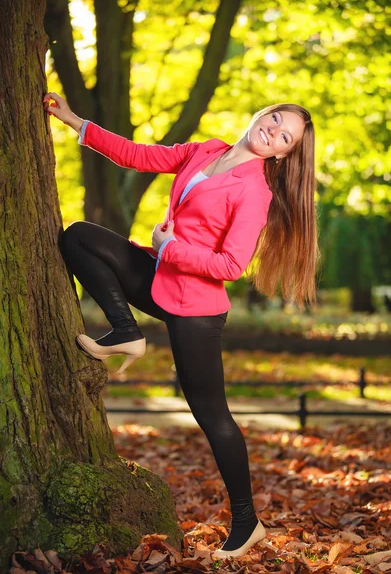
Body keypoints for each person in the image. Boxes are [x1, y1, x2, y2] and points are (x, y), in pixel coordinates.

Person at [43, 91, 318, 559]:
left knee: (212, 416)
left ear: (284, 153)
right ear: (261, 112)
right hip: (157, 275)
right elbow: (140, 155)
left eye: (284, 136)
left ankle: (247, 521)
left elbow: (232, 265)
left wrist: (170, 249)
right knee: (79, 236)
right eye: (274, 119)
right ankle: (126, 332)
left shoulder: (255, 191)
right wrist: (74, 121)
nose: (272, 131)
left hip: (197, 308)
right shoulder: (206, 150)